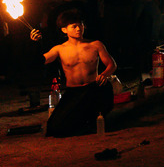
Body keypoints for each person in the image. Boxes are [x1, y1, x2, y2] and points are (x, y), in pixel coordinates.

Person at [30, 9, 116, 137]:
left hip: (93, 89)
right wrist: (35, 44)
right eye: (74, 26)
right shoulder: (59, 49)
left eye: (81, 25)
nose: (79, 29)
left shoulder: (95, 45)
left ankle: (92, 118)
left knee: (104, 96)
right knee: (54, 128)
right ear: (64, 30)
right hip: (74, 92)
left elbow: (112, 65)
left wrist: (104, 75)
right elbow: (40, 61)